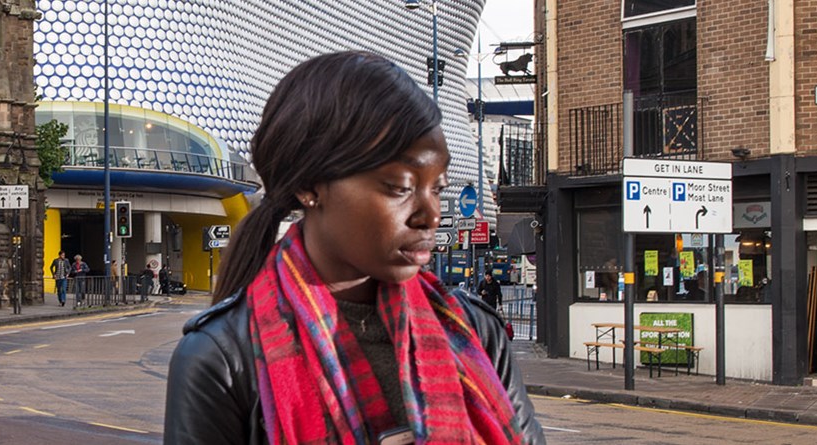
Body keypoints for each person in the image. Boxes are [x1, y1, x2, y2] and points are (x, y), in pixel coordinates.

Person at [164, 51, 542, 444]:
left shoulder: (476, 331)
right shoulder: (221, 359)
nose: (429, 215)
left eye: (437, 188)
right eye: (400, 188)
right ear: (310, 186)